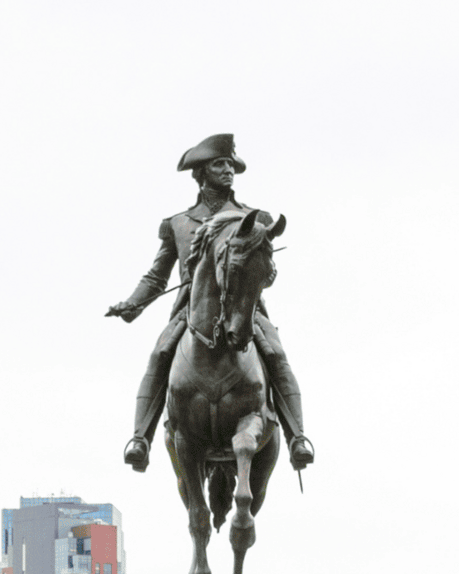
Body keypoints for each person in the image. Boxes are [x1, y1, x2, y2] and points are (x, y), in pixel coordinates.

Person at [106, 133, 315, 475]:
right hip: (192, 309)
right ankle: (140, 439)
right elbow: (157, 276)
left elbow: (267, 273)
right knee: (160, 355)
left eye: (231, 165)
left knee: (276, 355)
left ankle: (297, 438)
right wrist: (133, 305)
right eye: (220, 164)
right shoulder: (178, 223)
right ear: (201, 173)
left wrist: (262, 272)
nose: (228, 171)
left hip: (244, 308)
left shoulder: (254, 217)